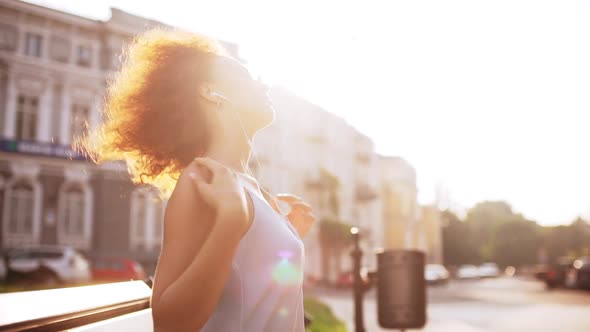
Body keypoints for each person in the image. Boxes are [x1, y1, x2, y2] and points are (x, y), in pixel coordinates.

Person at [80, 28, 315, 331]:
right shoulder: (201, 182)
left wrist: (287, 236)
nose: (262, 84)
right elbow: (168, 324)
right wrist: (230, 222)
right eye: (245, 76)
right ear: (209, 92)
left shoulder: (248, 188)